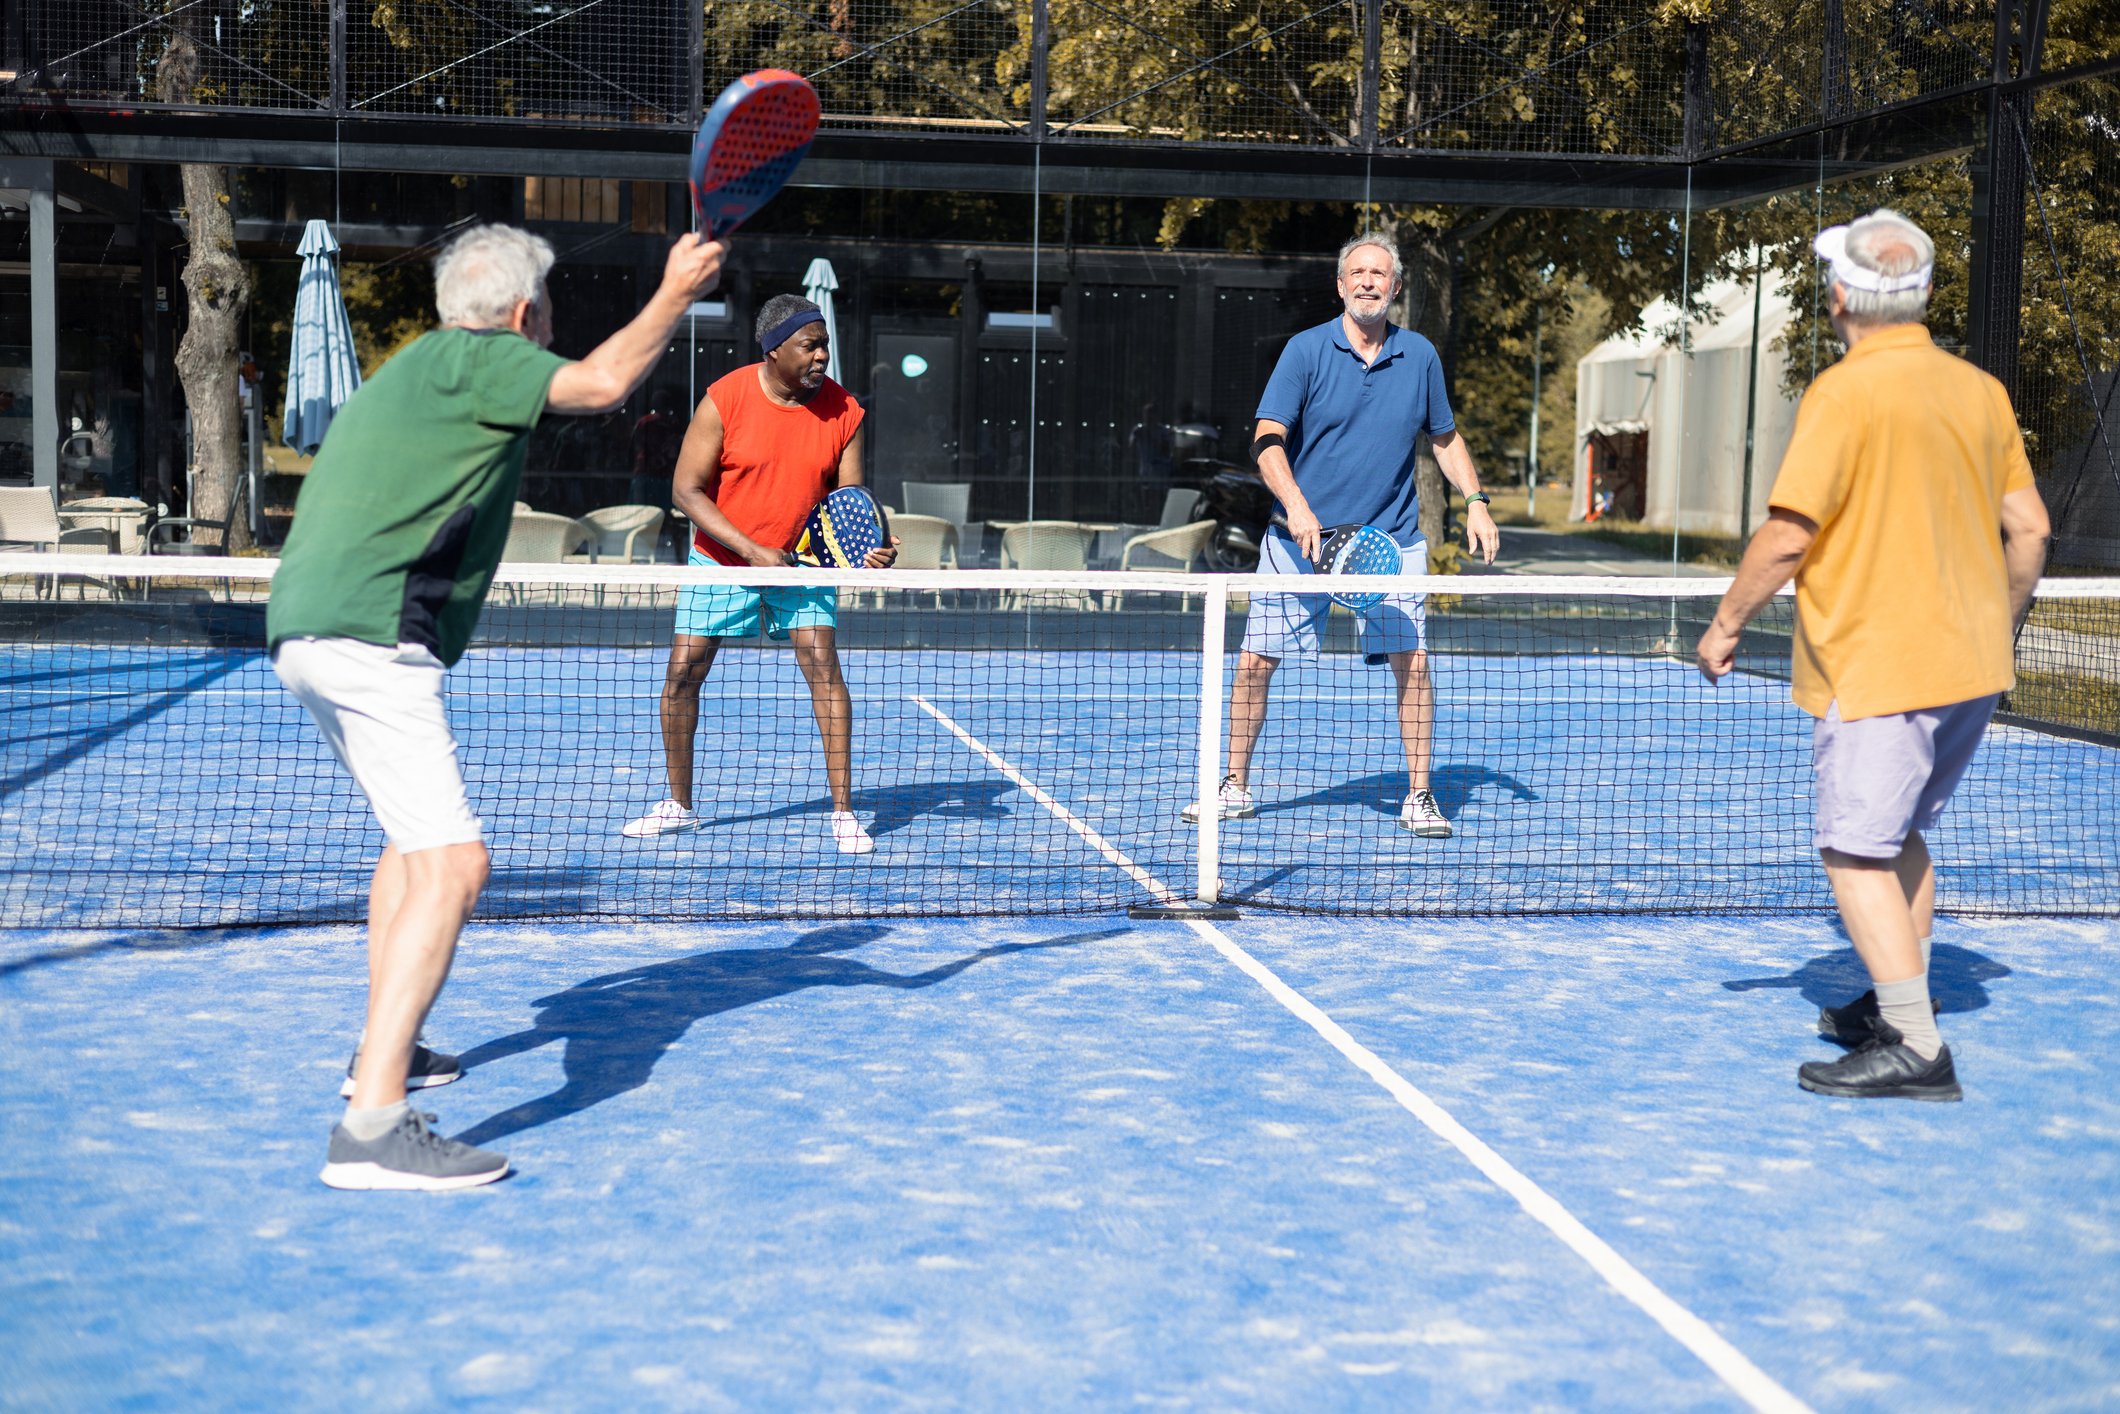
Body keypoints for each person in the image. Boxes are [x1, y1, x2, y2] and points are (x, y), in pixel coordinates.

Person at [268, 223, 726, 1189]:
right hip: (371, 634)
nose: (553, 324)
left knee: (410, 846)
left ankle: (382, 1051)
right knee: (458, 864)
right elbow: (601, 385)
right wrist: (677, 291)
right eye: (550, 308)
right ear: (523, 315)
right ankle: (373, 1129)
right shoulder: (484, 359)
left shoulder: (415, 368)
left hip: (309, 629)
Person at [1697, 208, 2051, 1101]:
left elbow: (1787, 535)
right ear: (1925, 294)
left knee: (1854, 851)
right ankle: (1899, 1006)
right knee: (1897, 837)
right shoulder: (1982, 391)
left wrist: (1727, 622)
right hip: (1970, 666)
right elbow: (2031, 530)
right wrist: (1994, 629)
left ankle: (1918, 1049)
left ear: (1841, 298)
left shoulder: (1842, 393)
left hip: (1878, 666)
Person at [1185, 233, 1500, 838]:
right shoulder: (1305, 352)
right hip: (1297, 541)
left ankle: (1418, 796)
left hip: (1389, 543)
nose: (1367, 282)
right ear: (1340, 285)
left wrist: (1477, 502)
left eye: (1379, 274)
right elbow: (1266, 440)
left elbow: (1444, 437)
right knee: (1254, 663)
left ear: (1396, 288)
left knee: (1413, 664)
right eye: (1357, 272)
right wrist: (1298, 508)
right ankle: (1234, 787)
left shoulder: (1421, 357)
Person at [622, 294, 896, 852]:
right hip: (720, 561)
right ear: (774, 351)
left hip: (803, 568)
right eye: (810, 345)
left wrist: (871, 548)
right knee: (681, 677)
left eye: (825, 345)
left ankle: (843, 812)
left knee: (824, 670)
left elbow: (847, 502)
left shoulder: (846, 411)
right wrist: (749, 550)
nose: (822, 356)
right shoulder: (725, 399)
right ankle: (678, 804)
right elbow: (685, 491)